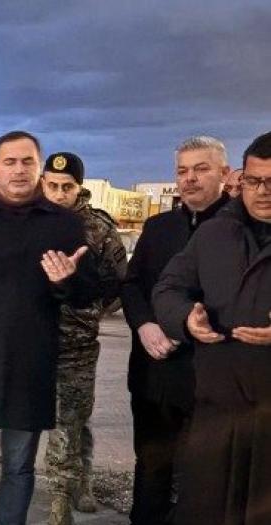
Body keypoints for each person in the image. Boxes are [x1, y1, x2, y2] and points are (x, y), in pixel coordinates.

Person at [0, 131, 98, 525]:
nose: (19, 169)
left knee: (18, 466)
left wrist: (66, 280)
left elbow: (88, 293)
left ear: (39, 167)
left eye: (27, 161)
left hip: (31, 362)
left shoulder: (64, 225)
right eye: (10, 161)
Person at [152, 131, 271, 525]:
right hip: (217, 412)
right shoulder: (215, 233)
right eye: (254, 180)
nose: (262, 191)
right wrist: (186, 318)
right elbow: (168, 288)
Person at [120, 135, 230, 525]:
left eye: (201, 169)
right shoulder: (158, 227)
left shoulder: (240, 229)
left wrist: (183, 327)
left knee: (203, 477)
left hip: (210, 379)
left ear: (225, 174)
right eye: (182, 171)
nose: (190, 179)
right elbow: (132, 285)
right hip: (153, 375)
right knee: (151, 467)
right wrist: (145, 324)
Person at [39, 152, 127, 525]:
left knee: (74, 419)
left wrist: (88, 314)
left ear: (80, 187)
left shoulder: (99, 228)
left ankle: (75, 487)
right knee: (36, 419)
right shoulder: (29, 220)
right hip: (32, 340)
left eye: (67, 187)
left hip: (77, 344)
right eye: (52, 185)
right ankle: (24, 485)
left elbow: (118, 283)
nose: (59, 194)